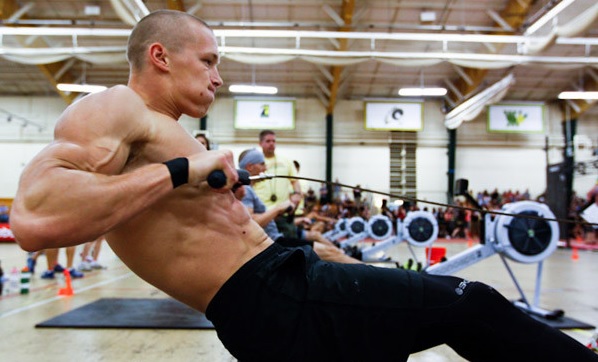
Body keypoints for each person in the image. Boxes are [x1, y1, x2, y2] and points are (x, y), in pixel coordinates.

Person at [8, 10, 597, 362]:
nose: (219, 76)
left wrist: (313, 249)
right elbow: (35, 220)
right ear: (160, 56)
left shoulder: (168, 130)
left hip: (283, 282)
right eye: (209, 61)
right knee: (472, 304)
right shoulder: (116, 106)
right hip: (269, 299)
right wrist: (183, 172)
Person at [236, 148, 360, 264]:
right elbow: (252, 222)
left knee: (329, 250)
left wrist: (280, 212)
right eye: (262, 164)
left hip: (275, 240)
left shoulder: (248, 190)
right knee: (330, 252)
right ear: (250, 167)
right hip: (274, 245)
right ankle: (372, 275)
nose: (265, 167)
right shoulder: (245, 190)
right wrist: (278, 208)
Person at [253, 129, 301, 238]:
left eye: (274, 141)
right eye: (268, 141)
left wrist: (297, 194)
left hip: (283, 215)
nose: (271, 144)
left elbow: (295, 182)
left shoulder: (286, 161)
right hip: (263, 215)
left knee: (291, 247)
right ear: (260, 143)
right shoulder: (255, 163)